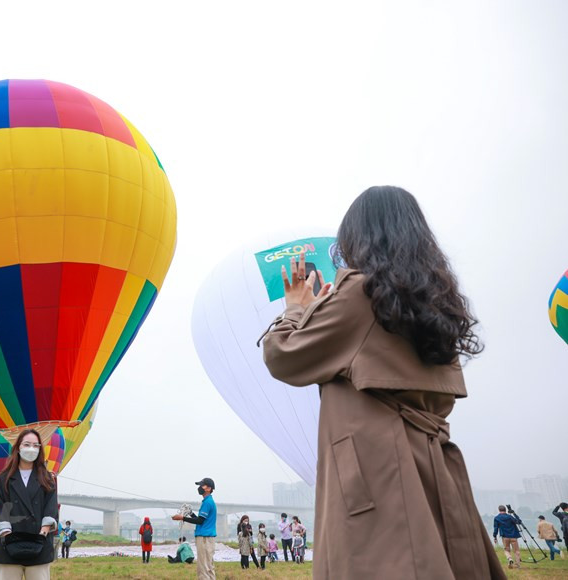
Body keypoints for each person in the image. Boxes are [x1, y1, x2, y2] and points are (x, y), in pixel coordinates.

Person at [261, 186, 505, 580]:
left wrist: (297, 310)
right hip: (434, 468)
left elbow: (282, 356)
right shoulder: (437, 305)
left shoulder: (359, 293)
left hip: (376, 471)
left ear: (358, 239)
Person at [0, 429, 59, 580]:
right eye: (27, 444)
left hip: (39, 543)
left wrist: (42, 534)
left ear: (40, 449)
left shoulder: (47, 478)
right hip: (7, 545)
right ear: (18, 447)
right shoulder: (4, 479)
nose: (31, 449)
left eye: (36, 445)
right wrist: (9, 538)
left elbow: (51, 508)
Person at [172, 477, 217, 580]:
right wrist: (191, 514)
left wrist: (182, 517)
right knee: (209, 567)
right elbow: (200, 519)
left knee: (203, 569)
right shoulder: (208, 501)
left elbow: (200, 521)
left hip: (204, 539)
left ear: (209, 488)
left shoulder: (207, 502)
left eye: (202, 485)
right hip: (207, 538)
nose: (200, 487)